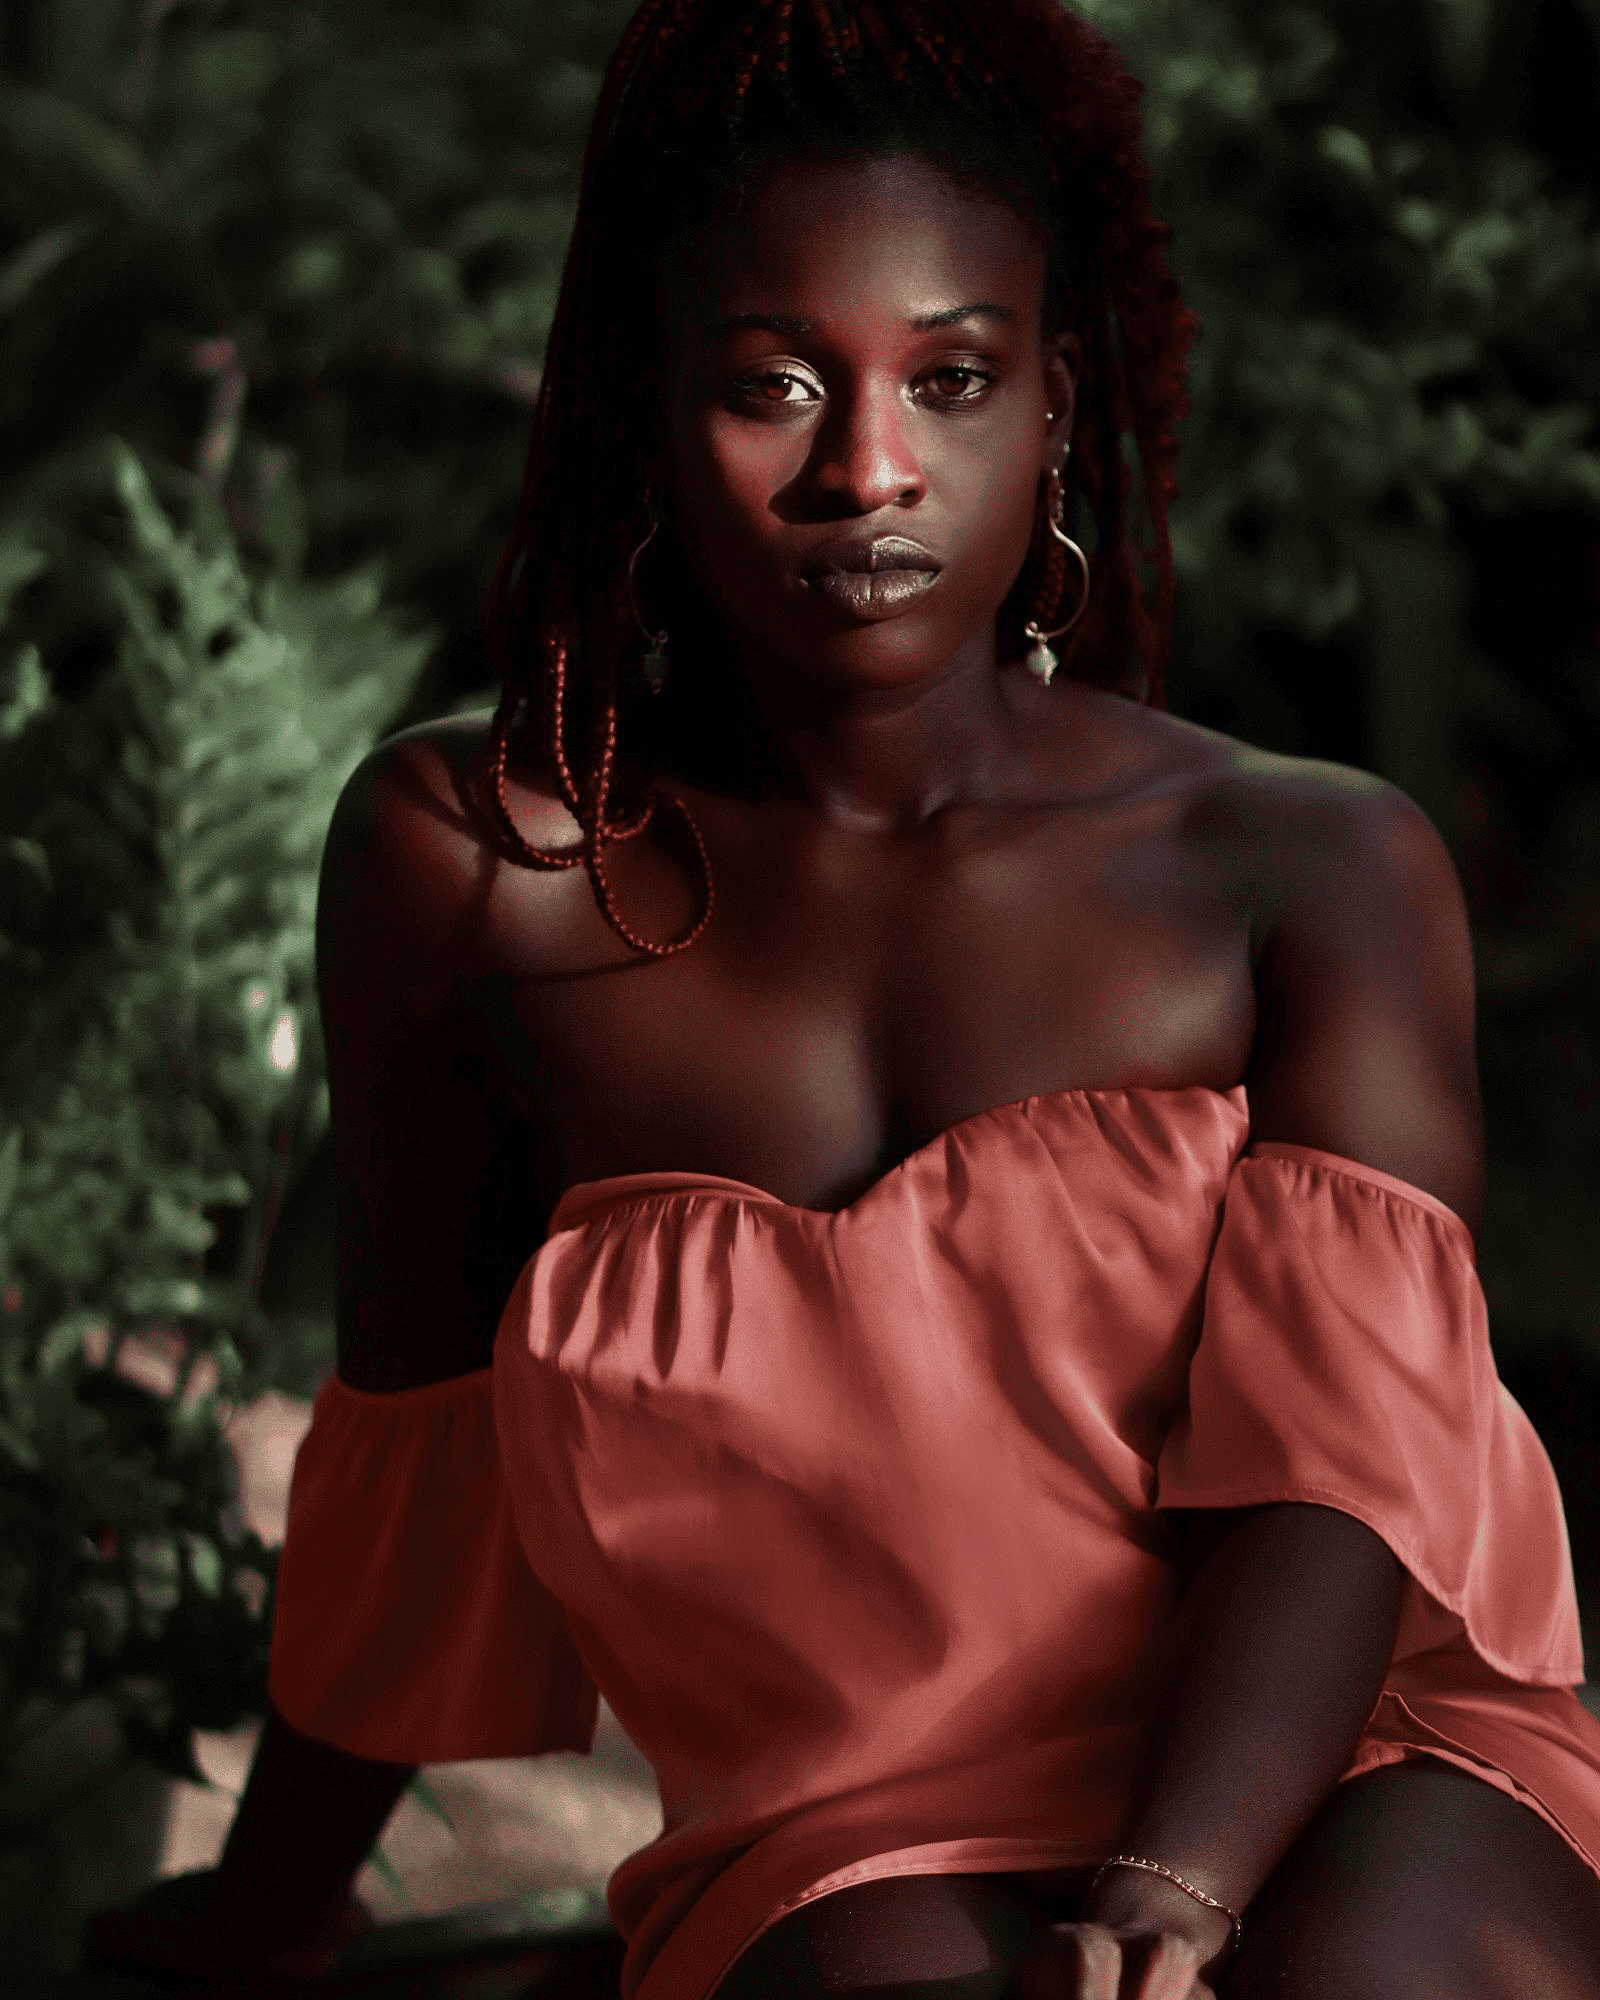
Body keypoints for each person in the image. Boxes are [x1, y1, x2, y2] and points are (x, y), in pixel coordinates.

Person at [91, 2, 1600, 1995]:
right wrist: (267, 1915)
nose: (865, 468)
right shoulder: (472, 868)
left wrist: (1170, 1887)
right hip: (854, 1828)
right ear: (649, 403)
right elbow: (419, 1436)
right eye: (768, 383)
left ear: (1051, 402)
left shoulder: (1301, 867)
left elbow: (1348, 1471)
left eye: (949, 378)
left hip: (1349, 1746)